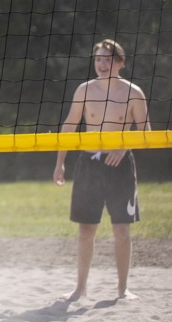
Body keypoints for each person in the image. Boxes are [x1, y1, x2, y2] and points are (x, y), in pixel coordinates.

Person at [53, 38, 152, 302]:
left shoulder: (133, 93)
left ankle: (122, 289)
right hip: (89, 164)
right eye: (98, 59)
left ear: (119, 63)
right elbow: (69, 126)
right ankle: (80, 289)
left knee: (122, 230)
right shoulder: (84, 90)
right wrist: (60, 163)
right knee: (86, 230)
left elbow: (146, 132)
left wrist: (123, 148)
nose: (101, 64)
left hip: (120, 166)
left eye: (107, 59)